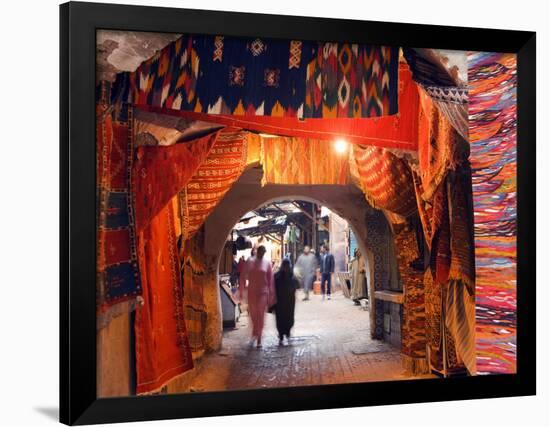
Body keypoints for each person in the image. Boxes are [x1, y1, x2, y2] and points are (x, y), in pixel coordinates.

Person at [242, 245, 275, 348]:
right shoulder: (250, 261)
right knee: (253, 314)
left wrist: (271, 295)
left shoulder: (267, 263)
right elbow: (243, 275)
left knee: (260, 314)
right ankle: (254, 333)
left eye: (263, 252)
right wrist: (241, 289)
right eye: (261, 252)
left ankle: (259, 338)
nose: (262, 254)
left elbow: (270, 280)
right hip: (252, 291)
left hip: (263, 292)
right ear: (257, 252)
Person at [273, 258, 299, 345]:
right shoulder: (278, 276)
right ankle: (282, 334)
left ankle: (285, 333)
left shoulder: (290, 275)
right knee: (282, 318)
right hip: (281, 301)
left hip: (287, 302)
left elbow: (296, 285)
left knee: (287, 318)